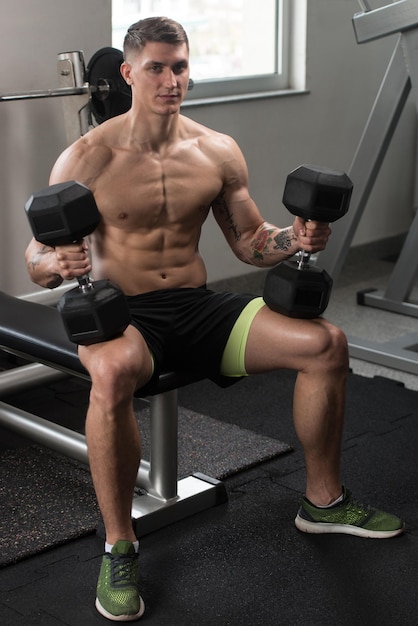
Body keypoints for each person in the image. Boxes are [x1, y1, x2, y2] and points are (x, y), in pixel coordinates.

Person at [25, 16, 404, 622]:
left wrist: (299, 236)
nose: (172, 80)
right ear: (128, 73)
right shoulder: (87, 158)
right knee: (115, 368)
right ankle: (119, 544)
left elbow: (251, 241)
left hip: (198, 307)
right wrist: (54, 262)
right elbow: (36, 254)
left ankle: (322, 501)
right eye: (157, 67)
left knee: (326, 343)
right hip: (124, 312)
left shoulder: (216, 150)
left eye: (179, 66)